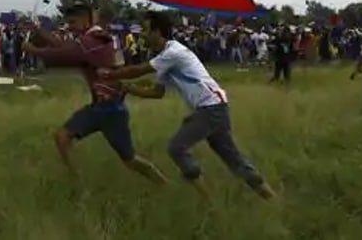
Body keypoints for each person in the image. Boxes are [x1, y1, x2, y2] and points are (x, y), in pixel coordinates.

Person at [98, 11, 278, 200]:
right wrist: (127, 88)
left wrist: (110, 75)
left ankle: (208, 201)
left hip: (211, 107)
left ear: (157, 32)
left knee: (177, 147)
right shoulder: (165, 58)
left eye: (145, 30)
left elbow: (139, 70)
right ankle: (270, 199)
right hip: (213, 107)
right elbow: (157, 92)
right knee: (234, 160)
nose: (142, 34)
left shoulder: (172, 52)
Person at [23, 3, 167, 185]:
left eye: (73, 22)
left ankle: (164, 184)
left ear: (86, 20)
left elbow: (61, 55)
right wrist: (38, 31)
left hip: (111, 111)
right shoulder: (92, 39)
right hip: (100, 107)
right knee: (62, 137)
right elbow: (64, 47)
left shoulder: (93, 41)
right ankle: (78, 182)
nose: (69, 26)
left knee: (130, 160)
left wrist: (32, 50)